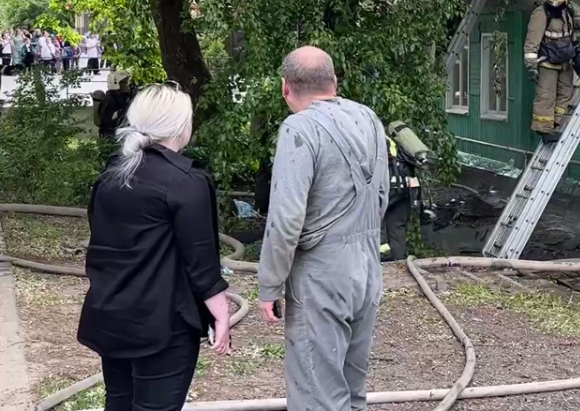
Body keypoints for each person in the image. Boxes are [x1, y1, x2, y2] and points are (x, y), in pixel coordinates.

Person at [77, 84, 233, 411]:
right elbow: (201, 259)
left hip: (111, 313)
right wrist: (221, 314)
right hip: (163, 323)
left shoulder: (111, 176)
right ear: (182, 126)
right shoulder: (186, 181)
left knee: (119, 402)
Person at [258, 46, 388, 411]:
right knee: (352, 390)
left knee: (317, 396)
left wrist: (270, 284)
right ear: (334, 82)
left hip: (321, 274)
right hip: (367, 269)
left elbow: (285, 219)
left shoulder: (298, 129)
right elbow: (381, 195)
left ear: (286, 88)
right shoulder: (369, 119)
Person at [524, 0, 580, 143]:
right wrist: (531, 67)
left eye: (559, 4)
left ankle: (555, 122)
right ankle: (543, 130)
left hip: (565, 61)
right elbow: (532, 41)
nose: (556, 7)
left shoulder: (569, 10)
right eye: (553, 4)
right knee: (546, 96)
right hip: (547, 63)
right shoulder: (541, 13)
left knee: (566, 92)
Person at [379, 121, 430, 261]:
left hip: (387, 191)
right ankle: (399, 262)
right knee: (397, 228)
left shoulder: (375, 139)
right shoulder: (400, 144)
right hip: (406, 191)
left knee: (375, 224)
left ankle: (383, 261)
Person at [97, 71, 135, 140]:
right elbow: (107, 121)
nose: (127, 85)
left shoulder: (123, 96)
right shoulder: (110, 100)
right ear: (116, 84)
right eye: (124, 82)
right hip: (112, 136)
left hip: (121, 134)